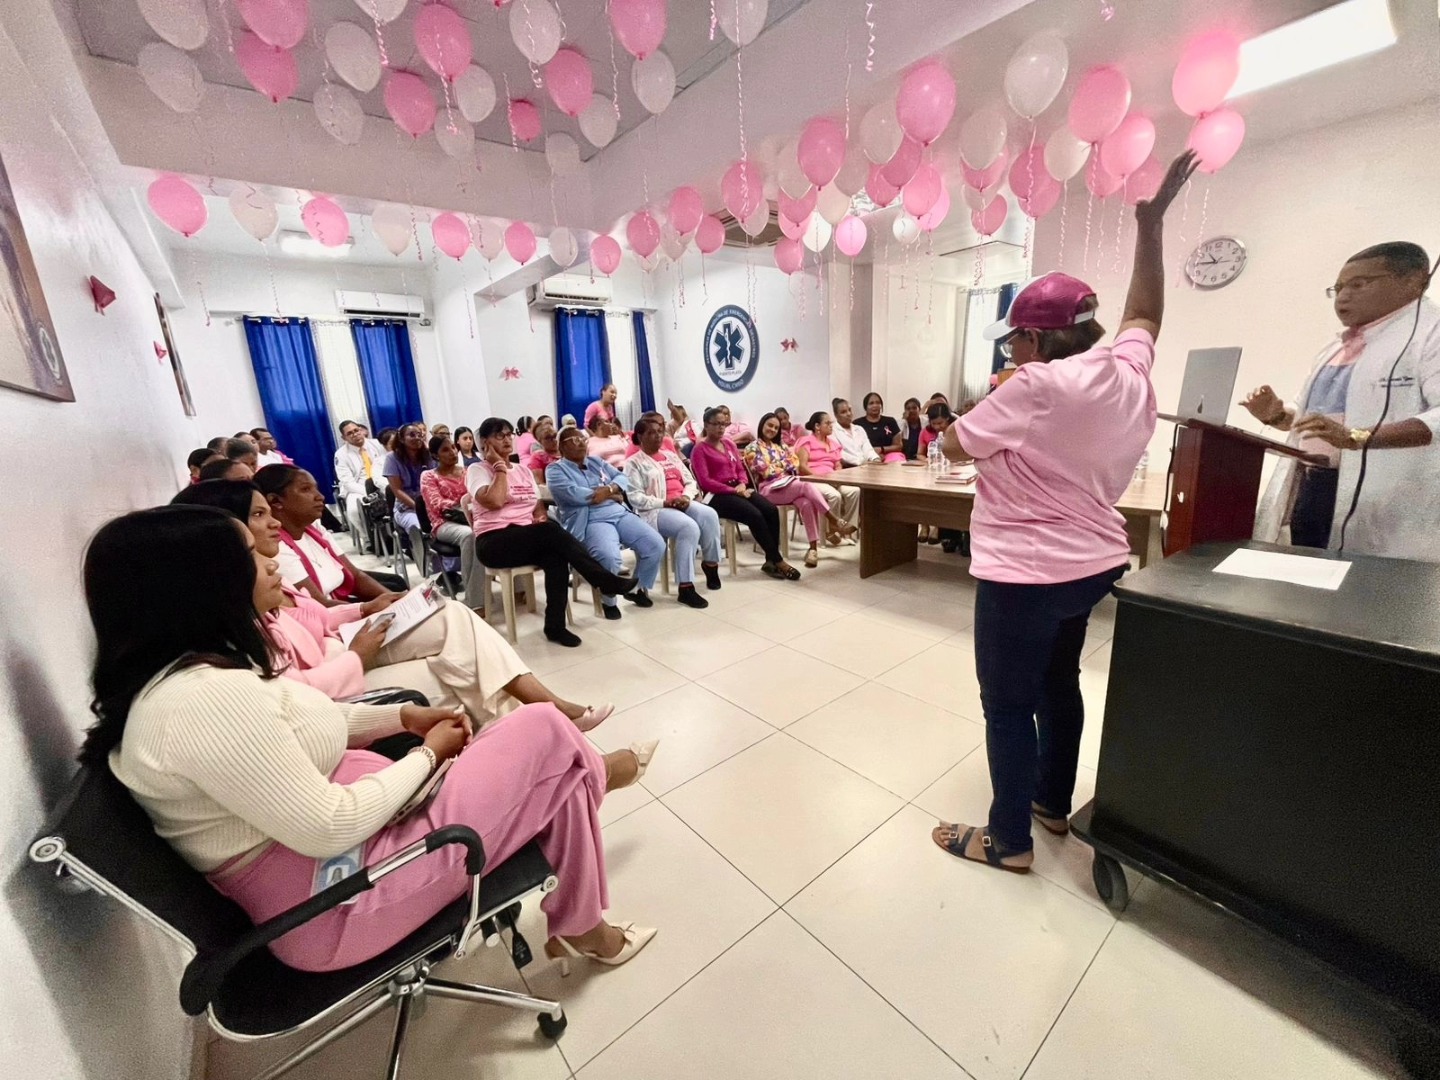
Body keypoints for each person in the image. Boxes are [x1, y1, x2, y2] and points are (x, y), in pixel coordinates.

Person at [86, 505, 657, 975]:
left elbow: (301, 723)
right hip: (343, 901)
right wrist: (427, 753)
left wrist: (403, 719)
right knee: (545, 732)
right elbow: (329, 825)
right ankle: (592, 852)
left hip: (356, 860)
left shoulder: (191, 680)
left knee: (546, 754)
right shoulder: (200, 703)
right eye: (252, 556)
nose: (274, 560)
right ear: (196, 587)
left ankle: (584, 905)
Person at [929, 152, 1197, 873]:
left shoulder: (1034, 386)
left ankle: (1008, 841)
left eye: (1016, 337)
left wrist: (986, 404)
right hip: (1094, 562)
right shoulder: (1128, 368)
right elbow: (1145, 311)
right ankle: (1050, 803)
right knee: (1060, 684)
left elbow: (954, 445)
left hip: (1025, 573)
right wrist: (1150, 226)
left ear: (1035, 340)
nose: (1014, 349)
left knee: (1008, 706)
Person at [174, 480, 614, 731]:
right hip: (341, 661)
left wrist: (367, 608)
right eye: (257, 516)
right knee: (460, 655)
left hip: (342, 638)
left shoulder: (276, 569)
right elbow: (298, 688)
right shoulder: (257, 587)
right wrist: (356, 649)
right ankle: (544, 722)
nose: (269, 521)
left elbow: (322, 608)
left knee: (457, 622)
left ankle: (538, 727)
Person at [1245, 241, 1439, 556]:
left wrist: (1357, 437)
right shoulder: (1336, 348)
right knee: (1307, 592)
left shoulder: (1431, 334)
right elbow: (1319, 423)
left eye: (1359, 284)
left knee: (1368, 597)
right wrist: (1278, 416)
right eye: (1337, 288)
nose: (1343, 296)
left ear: (1415, 281)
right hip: (1315, 489)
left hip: (1389, 506)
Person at [468, 418, 636, 648]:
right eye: (500, 436)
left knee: (555, 556)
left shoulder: (523, 470)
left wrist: (539, 518)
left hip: (526, 537)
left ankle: (555, 627)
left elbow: (537, 505)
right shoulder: (477, 470)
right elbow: (495, 500)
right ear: (485, 442)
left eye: (509, 434)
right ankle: (602, 579)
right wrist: (498, 466)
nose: (507, 439)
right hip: (493, 542)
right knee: (550, 530)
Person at [548, 427, 666, 619]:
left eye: (583, 440)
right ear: (562, 446)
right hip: (590, 519)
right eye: (574, 440)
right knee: (609, 557)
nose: (581, 443)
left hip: (617, 512)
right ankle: (608, 601)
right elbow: (571, 494)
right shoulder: (555, 470)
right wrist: (607, 494)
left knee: (655, 544)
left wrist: (610, 489)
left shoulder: (596, 462)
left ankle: (636, 589)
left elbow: (622, 477)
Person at [257, 464, 409, 603]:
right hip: (327, 616)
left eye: (315, 488)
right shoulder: (276, 546)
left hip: (336, 603)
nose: (320, 496)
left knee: (397, 586)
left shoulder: (313, 526)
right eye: (306, 489)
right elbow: (320, 607)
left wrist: (398, 603)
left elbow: (354, 575)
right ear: (276, 501)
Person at [691, 407, 800, 580]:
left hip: (739, 489)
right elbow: (705, 481)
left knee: (770, 510)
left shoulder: (728, 444)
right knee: (754, 515)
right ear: (706, 425)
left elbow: (740, 469)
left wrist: (742, 483)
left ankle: (770, 561)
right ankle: (779, 561)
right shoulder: (700, 449)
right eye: (716, 424)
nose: (720, 428)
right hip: (717, 495)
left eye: (723, 424)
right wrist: (733, 490)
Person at [624, 416, 721, 604]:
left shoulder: (670, 456)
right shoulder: (633, 463)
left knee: (709, 514)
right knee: (689, 527)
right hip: (655, 510)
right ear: (640, 436)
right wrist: (665, 503)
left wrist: (686, 496)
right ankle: (686, 587)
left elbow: (690, 480)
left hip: (681, 501)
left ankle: (711, 565)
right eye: (651, 433)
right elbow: (635, 498)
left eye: (660, 432)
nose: (657, 436)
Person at [745, 412, 847, 566]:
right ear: (762, 425)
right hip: (769, 490)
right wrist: (782, 465)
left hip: (788, 483)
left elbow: (795, 463)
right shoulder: (752, 447)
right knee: (806, 485)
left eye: (775, 427)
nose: (772, 429)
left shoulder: (780, 445)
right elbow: (765, 472)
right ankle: (832, 519)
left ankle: (813, 549)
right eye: (769, 425)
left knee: (806, 502)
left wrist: (778, 465)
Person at [795, 412, 860, 535]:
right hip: (812, 480)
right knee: (834, 496)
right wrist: (822, 478)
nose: (831, 425)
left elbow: (837, 465)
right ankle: (831, 530)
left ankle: (847, 528)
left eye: (831, 423)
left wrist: (839, 477)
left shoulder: (833, 444)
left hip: (832, 479)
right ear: (817, 426)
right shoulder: (806, 441)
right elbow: (802, 466)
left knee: (854, 491)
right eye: (827, 423)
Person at [334, 420, 387, 551]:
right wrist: (368, 492)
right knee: (353, 510)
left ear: (361, 430)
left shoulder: (377, 444)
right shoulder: (341, 454)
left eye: (356, 430)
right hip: (357, 487)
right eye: (350, 433)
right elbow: (347, 481)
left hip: (381, 482)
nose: (355, 434)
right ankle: (368, 539)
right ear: (344, 437)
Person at [421, 435, 469, 577]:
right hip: (444, 523)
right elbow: (437, 504)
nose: (453, 452)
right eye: (446, 450)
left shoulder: (467, 471)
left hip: (471, 518)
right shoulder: (429, 476)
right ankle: (475, 594)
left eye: (453, 447)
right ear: (435, 455)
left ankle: (518, 591)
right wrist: (464, 505)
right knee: (469, 535)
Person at [384, 423, 431, 562]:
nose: (417, 437)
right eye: (412, 435)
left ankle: (449, 570)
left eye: (419, 435)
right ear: (402, 439)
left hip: (430, 506)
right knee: (420, 528)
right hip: (406, 509)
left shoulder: (427, 456)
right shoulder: (392, 458)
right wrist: (420, 509)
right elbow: (397, 491)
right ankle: (431, 570)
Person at [831, 398, 882, 467]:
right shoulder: (832, 431)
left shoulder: (859, 429)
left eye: (849, 410)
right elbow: (840, 454)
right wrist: (861, 462)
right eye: (843, 412)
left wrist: (875, 459)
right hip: (848, 468)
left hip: (865, 466)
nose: (848, 414)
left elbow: (868, 449)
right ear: (836, 415)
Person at [855, 393, 907, 462]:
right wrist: (873, 454)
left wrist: (881, 449)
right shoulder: (857, 424)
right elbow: (855, 447)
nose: (875, 405)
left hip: (889, 455)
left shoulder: (890, 421)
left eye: (878, 403)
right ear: (865, 407)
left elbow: (898, 446)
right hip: (866, 456)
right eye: (871, 403)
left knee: (897, 461)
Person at [523, 417, 561, 481]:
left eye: (555, 436)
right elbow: (539, 483)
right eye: (548, 438)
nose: (554, 440)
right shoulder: (538, 457)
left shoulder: (565, 451)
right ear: (539, 441)